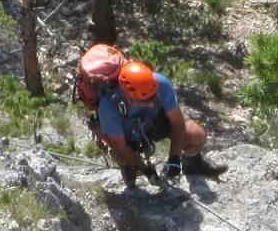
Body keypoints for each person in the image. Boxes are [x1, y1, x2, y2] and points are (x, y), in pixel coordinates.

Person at [96, 60, 224, 187]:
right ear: (129, 97)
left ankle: (192, 165)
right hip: (128, 135)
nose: (151, 103)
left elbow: (177, 122)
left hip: (155, 122)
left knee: (195, 134)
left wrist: (174, 158)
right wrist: (148, 171)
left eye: (153, 97)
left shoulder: (161, 84)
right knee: (121, 156)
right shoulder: (109, 107)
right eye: (146, 100)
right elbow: (121, 147)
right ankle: (132, 176)